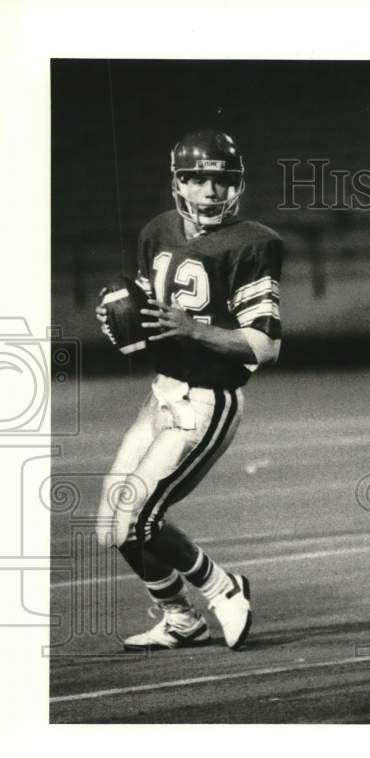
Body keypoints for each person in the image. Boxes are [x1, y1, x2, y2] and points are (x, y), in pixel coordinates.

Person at [95, 128, 283, 651]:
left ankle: (224, 589)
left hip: (209, 397)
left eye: (220, 181)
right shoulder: (157, 231)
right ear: (178, 183)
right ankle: (181, 617)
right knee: (113, 523)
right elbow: (148, 313)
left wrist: (192, 328)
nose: (209, 192)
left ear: (237, 185)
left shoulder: (254, 244)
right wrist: (125, 323)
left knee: (139, 514)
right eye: (196, 180)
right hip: (164, 391)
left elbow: (265, 347)